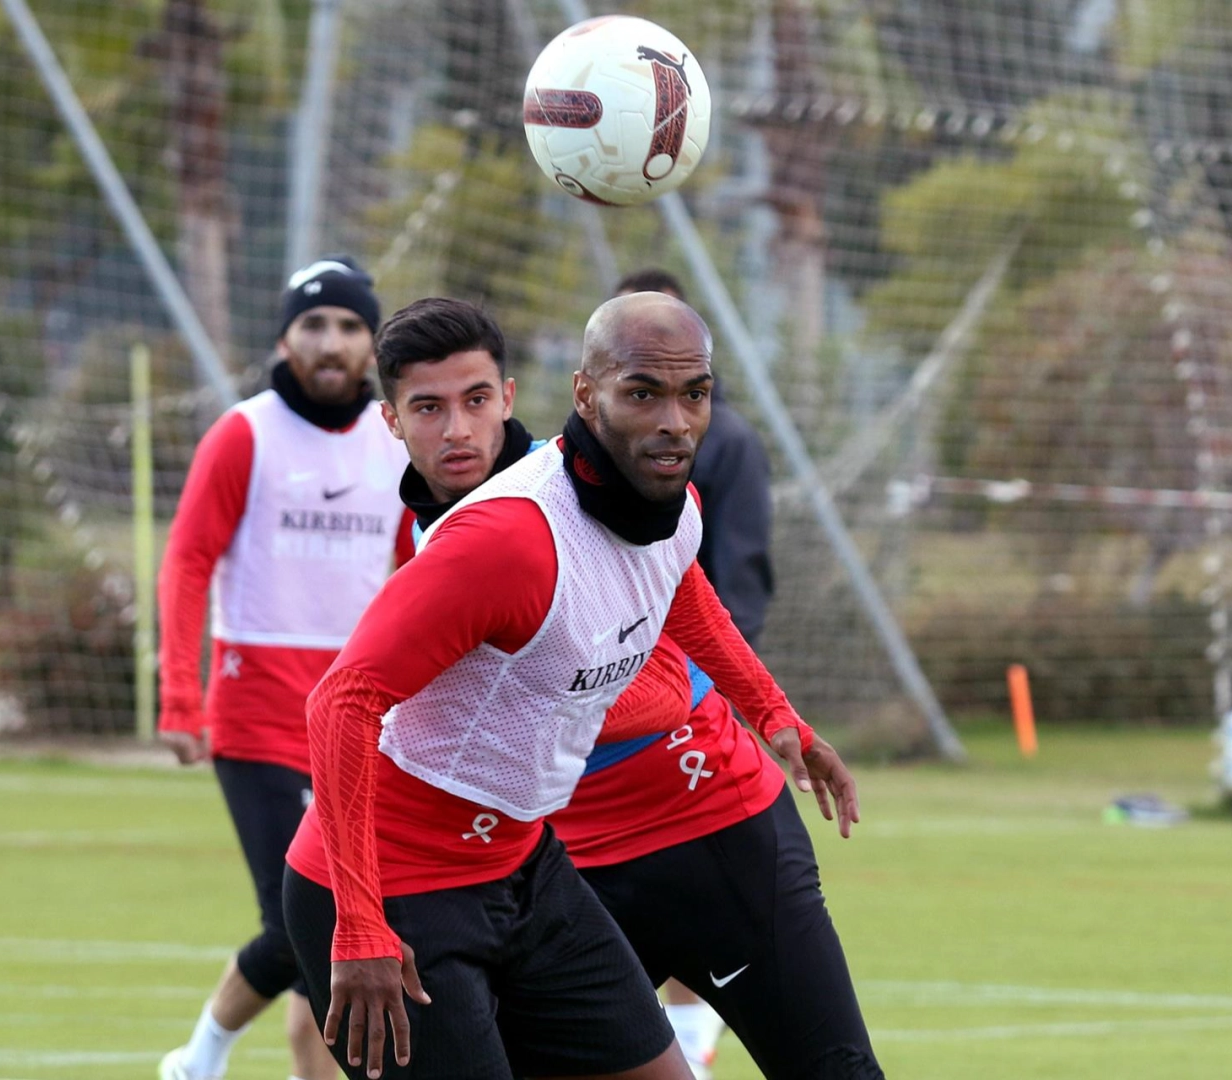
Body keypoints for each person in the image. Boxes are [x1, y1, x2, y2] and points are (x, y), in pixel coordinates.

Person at [284, 293, 853, 1079]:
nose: (675, 422)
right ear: (586, 395)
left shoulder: (668, 505)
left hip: (523, 862)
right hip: (401, 879)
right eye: (644, 393)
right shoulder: (502, 540)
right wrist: (356, 922)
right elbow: (341, 702)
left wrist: (775, 715)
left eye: (694, 394)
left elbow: (680, 589)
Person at [155, 257, 410, 1080]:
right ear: (283, 339)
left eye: (350, 325)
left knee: (339, 925)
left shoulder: (396, 439)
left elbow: (418, 572)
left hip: (360, 716)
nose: (331, 342)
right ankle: (201, 1061)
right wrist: (180, 697)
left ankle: (249, 1066)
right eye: (314, 324)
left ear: (373, 344)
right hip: (257, 714)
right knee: (302, 920)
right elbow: (187, 562)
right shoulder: (245, 433)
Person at [611, 274, 783, 1077]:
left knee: (699, 877)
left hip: (697, 695)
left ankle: (689, 1047)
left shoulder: (730, 443)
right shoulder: (582, 454)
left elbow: (740, 572)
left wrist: (730, 684)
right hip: (610, 703)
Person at [613, 270, 773, 645]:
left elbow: (741, 576)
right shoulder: (595, 438)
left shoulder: (731, 443)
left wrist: (716, 670)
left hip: (688, 660)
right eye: (626, 329)